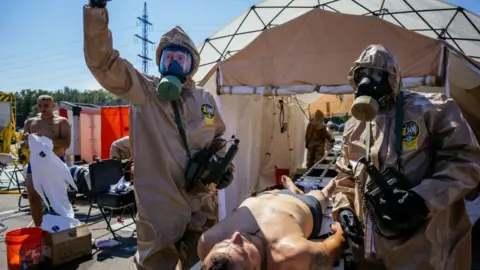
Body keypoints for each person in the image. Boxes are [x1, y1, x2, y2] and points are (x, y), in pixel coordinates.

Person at [84, 1, 233, 269]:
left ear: (192, 65)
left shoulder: (204, 99)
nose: (174, 63)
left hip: (201, 201)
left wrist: (224, 164)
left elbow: (218, 137)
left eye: (180, 58)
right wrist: (96, 12)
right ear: (160, 62)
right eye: (168, 58)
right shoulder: (144, 91)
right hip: (159, 207)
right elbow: (104, 64)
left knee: (202, 261)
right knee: (155, 264)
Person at [331, 44, 480, 270]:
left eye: (375, 75)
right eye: (360, 75)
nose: (366, 82)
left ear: (392, 77)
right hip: (367, 250)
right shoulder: (354, 126)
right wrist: (344, 210)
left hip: (422, 250)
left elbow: (466, 161)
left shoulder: (431, 110)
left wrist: (421, 199)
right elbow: (345, 174)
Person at [198, 175, 345, 270]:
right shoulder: (290, 255)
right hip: (303, 205)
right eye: (242, 249)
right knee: (321, 195)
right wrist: (339, 230)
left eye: (224, 243)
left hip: (265, 195)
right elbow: (331, 249)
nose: (236, 236)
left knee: (289, 191)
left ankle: (292, 188)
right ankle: (326, 190)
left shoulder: (208, 243)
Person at [21, 95, 72, 227]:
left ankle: (63, 227)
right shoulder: (30, 122)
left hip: (55, 161)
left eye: (46, 106)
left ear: (53, 106)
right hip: (36, 163)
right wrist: (27, 140)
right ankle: (39, 228)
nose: (43, 108)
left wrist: (44, 140)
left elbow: (66, 143)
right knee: (33, 196)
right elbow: (24, 145)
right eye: (40, 106)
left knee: (58, 198)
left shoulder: (62, 122)